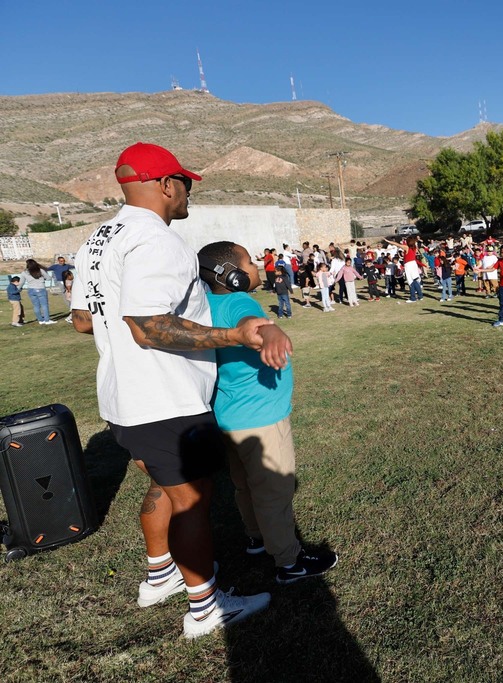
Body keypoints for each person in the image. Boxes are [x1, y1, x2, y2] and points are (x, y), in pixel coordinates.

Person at [71, 142, 285, 638]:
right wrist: (233, 335)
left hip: (122, 398)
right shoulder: (158, 240)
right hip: (164, 396)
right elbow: (148, 326)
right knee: (192, 498)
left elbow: (83, 321)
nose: (187, 193)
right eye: (184, 182)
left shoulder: (97, 239)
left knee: (166, 487)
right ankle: (206, 609)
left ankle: (159, 576)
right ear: (167, 184)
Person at [197, 241, 338, 585]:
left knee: (246, 487)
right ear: (230, 275)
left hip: (229, 417)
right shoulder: (239, 300)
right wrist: (271, 329)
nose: (256, 265)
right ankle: (289, 562)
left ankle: (256, 538)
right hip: (260, 420)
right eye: (248, 261)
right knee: (274, 492)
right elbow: (252, 323)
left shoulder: (206, 304)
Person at [18, 259, 54, 325]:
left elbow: (21, 283)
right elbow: (48, 278)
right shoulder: (40, 270)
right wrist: (44, 278)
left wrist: (18, 289)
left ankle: (40, 320)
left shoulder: (24, 273)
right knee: (44, 305)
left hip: (31, 289)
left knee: (36, 306)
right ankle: (47, 320)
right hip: (41, 288)